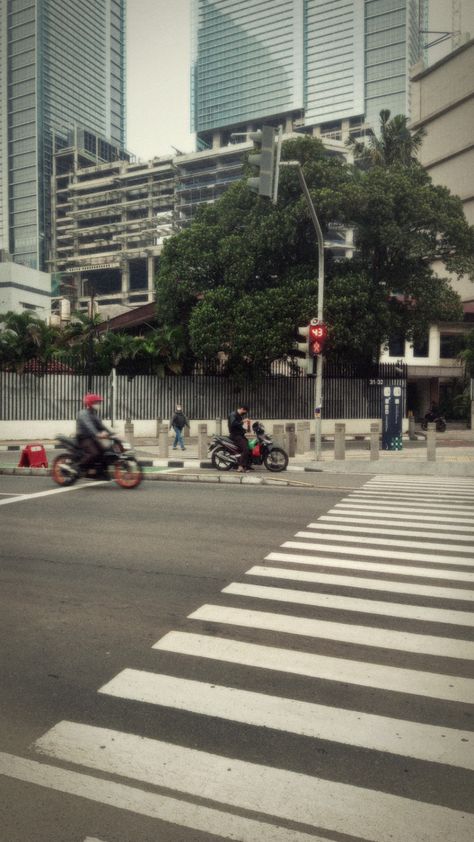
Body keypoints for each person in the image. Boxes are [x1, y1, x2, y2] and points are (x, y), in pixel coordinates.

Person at [76, 393, 111, 476]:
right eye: (96, 403)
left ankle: (96, 471)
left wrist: (112, 433)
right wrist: (97, 434)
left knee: (105, 450)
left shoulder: (93, 414)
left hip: (92, 438)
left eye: (99, 403)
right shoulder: (83, 413)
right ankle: (79, 467)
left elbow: (101, 425)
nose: (98, 405)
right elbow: (89, 426)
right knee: (94, 453)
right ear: (90, 403)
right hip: (84, 438)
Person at [228, 405, 251, 472]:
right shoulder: (233, 414)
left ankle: (246, 465)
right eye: (245, 412)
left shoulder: (239, 415)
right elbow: (233, 424)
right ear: (242, 409)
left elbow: (239, 427)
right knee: (246, 449)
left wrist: (245, 430)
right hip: (235, 436)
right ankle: (240, 466)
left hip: (239, 435)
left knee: (249, 447)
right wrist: (243, 421)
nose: (245, 413)